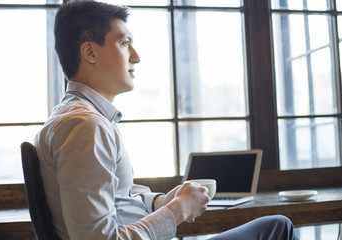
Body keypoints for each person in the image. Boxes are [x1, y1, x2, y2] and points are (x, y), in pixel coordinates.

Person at [34, 1, 299, 239]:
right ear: (90, 52)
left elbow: (117, 201)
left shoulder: (78, 117)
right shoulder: (85, 126)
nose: (135, 56)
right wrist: (178, 210)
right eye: (124, 43)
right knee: (278, 227)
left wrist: (160, 202)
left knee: (276, 224)